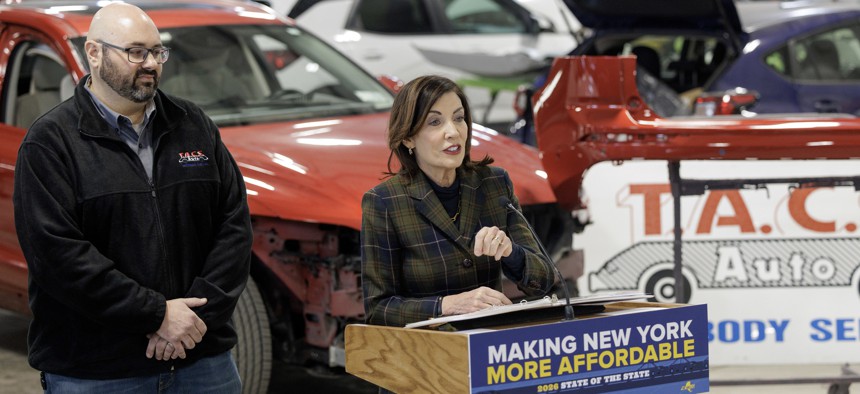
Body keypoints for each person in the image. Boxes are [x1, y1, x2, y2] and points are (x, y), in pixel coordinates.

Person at [13, 3, 252, 392]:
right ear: (94, 53)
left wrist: (189, 320)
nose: (151, 64)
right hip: (97, 370)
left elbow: (234, 230)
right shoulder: (50, 143)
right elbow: (58, 258)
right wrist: (156, 315)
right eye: (135, 52)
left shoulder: (194, 126)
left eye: (158, 52)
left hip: (202, 361)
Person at [360, 75, 558, 328]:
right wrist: (447, 305)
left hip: (491, 344)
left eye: (458, 118)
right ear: (408, 138)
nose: (453, 132)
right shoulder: (384, 201)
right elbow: (378, 309)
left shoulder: (494, 183)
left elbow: (544, 281)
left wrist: (511, 251)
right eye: (434, 122)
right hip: (426, 351)